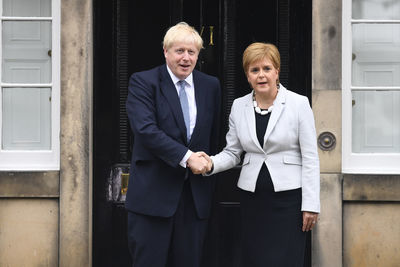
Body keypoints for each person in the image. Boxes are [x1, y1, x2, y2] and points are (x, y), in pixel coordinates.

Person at [202, 42, 320, 266]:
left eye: (267, 68)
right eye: (254, 70)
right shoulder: (239, 106)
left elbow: (311, 158)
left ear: (277, 71)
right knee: (255, 259)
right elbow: (232, 152)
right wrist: (209, 163)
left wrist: (311, 204)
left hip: (289, 201)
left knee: (286, 260)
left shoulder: (298, 103)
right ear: (247, 76)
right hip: (253, 200)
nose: (261, 75)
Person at [125, 22, 221, 267]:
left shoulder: (210, 86)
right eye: (179, 51)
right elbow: (146, 130)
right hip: (152, 198)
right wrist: (188, 157)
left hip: (195, 199)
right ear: (165, 52)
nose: (186, 58)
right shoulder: (143, 82)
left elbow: (214, 135)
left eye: (192, 52)